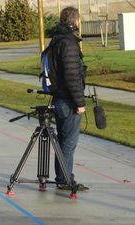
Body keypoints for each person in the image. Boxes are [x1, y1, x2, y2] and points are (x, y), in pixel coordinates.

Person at [50, 6, 89, 191]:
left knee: (63, 141)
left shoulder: (56, 40)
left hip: (59, 98)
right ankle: (65, 179)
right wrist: (80, 103)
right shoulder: (68, 43)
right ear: (75, 21)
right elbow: (72, 75)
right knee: (68, 143)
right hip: (67, 101)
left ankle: (62, 176)